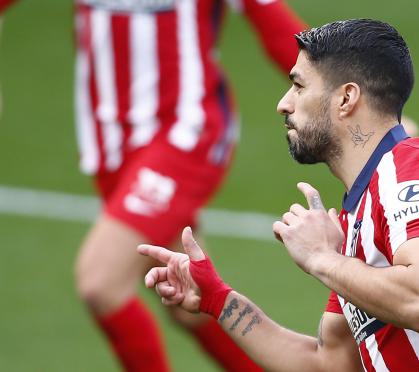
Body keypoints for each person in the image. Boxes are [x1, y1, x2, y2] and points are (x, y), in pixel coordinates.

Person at [138, 18, 419, 371]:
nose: (284, 104)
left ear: (347, 98)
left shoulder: (405, 176)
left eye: (298, 86)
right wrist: (219, 300)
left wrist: (322, 258)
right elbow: (328, 362)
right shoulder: (355, 219)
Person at [68, 0, 305, 371]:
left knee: (101, 281)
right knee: (189, 300)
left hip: (185, 133)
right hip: (112, 144)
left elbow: (271, 19)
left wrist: (348, 102)